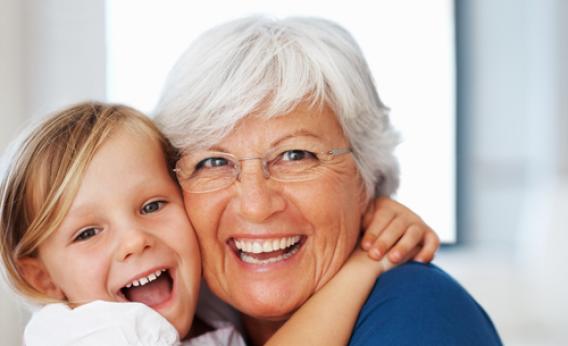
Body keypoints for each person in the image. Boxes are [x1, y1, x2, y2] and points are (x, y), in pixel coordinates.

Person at [154, 16, 503, 345]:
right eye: (213, 162)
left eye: (296, 155)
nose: (256, 206)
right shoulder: (173, 320)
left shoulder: (421, 312)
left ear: (367, 179)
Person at [0, 102, 439, 345]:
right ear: (40, 275)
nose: (135, 241)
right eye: (88, 233)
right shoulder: (93, 335)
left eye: (153, 206)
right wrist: (366, 261)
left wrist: (373, 216)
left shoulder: (207, 305)